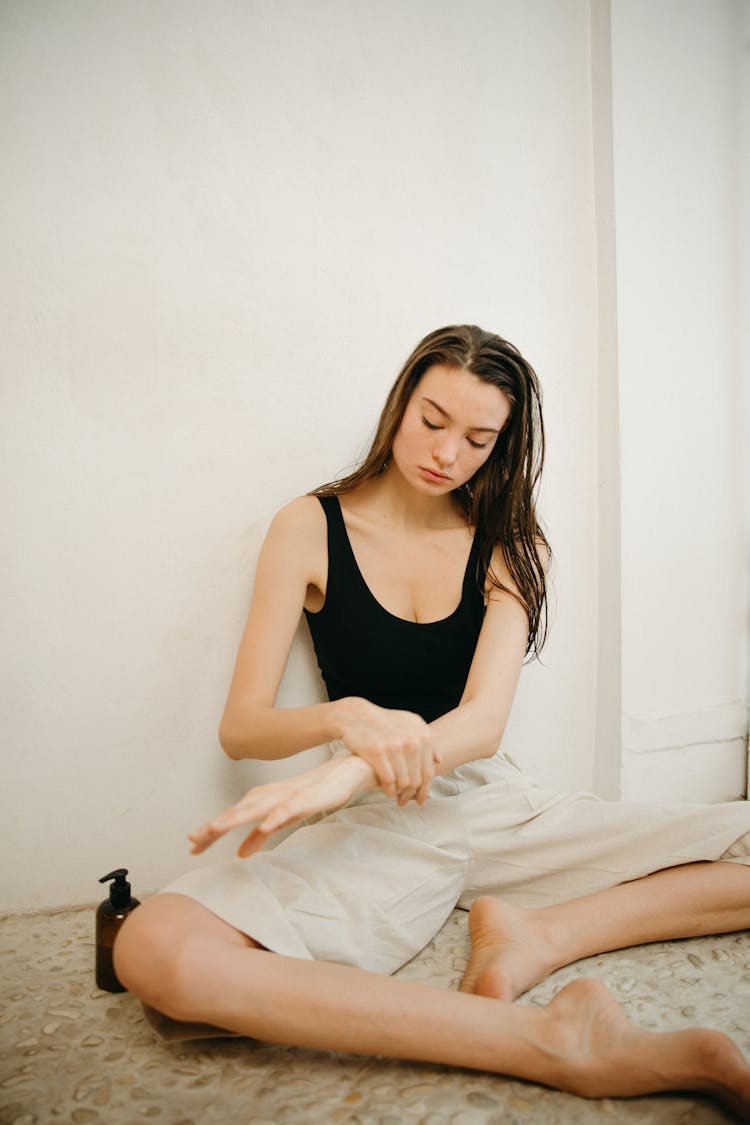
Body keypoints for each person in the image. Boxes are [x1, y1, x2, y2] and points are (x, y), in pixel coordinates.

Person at [115, 325, 750, 1115]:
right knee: (157, 947)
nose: (448, 453)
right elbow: (241, 726)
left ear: (501, 447)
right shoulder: (309, 526)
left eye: (479, 439)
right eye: (433, 420)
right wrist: (348, 721)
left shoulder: (512, 543)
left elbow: (482, 723)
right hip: (385, 823)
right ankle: (552, 1039)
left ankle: (539, 937)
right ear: (400, 405)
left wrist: (355, 761)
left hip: (490, 799)